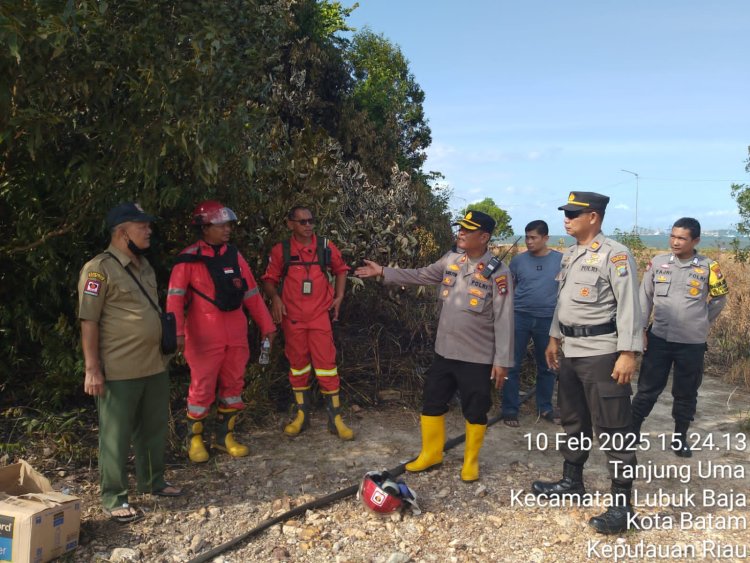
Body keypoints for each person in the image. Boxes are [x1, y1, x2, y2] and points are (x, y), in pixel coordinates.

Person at [355, 210, 514, 482]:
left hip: (477, 356)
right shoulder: (451, 260)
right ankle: (431, 453)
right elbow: (421, 275)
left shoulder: (499, 272)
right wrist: (383, 271)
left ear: (484, 237)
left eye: (468, 230)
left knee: (476, 408)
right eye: (461, 228)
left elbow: (504, 318)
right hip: (445, 351)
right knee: (432, 401)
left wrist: (502, 361)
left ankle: (471, 462)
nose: (461, 233)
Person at [531, 191, 642, 534]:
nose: (566, 217)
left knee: (614, 428)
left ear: (593, 217)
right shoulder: (571, 254)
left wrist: (628, 352)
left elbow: (630, 307)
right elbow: (564, 302)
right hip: (572, 351)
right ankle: (572, 482)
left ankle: (623, 507)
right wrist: (553, 337)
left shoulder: (616, 255)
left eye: (573, 213)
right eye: (566, 212)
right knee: (574, 421)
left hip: (602, 353)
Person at [79, 202, 183, 523]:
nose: (149, 230)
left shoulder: (145, 266)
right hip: (119, 370)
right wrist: (92, 368)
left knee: (153, 428)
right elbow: (89, 320)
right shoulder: (99, 269)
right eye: (143, 226)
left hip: (154, 364)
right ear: (123, 232)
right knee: (116, 434)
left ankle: (154, 481)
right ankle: (114, 496)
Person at [167, 200, 276, 463]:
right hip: (204, 335)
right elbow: (174, 299)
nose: (227, 229)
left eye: (229, 225)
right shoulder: (188, 259)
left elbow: (251, 293)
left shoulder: (234, 255)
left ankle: (224, 437)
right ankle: (195, 440)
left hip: (235, 333)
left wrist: (267, 326)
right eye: (221, 225)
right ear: (204, 228)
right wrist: (176, 333)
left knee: (233, 385)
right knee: (202, 388)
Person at [631, 217, 728, 457]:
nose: (675, 241)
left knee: (686, 392)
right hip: (659, 339)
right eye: (673, 236)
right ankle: (630, 434)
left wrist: (702, 322)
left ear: (695, 240)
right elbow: (645, 298)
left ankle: (680, 438)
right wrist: (642, 330)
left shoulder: (708, 267)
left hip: (691, 343)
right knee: (646, 389)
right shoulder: (658, 263)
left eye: (682, 238)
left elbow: (719, 299)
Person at [261, 205, 353, 440]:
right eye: (302, 221)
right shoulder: (282, 250)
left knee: (327, 365)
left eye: (311, 220)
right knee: (298, 366)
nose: (308, 225)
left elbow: (341, 269)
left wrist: (339, 297)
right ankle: (302, 415)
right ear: (290, 223)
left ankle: (336, 419)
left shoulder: (324, 246)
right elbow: (269, 280)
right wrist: (275, 298)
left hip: (319, 315)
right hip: (292, 318)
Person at [502, 220, 562, 427]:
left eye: (533, 237)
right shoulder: (518, 261)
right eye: (527, 237)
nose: (529, 241)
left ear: (546, 238)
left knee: (547, 365)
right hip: (519, 317)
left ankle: (544, 407)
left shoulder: (560, 260)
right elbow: (510, 288)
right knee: (512, 364)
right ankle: (510, 409)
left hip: (547, 319)